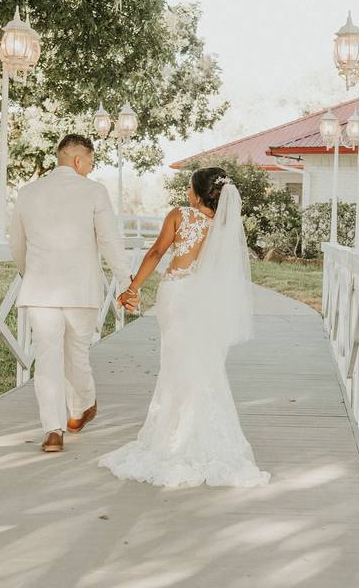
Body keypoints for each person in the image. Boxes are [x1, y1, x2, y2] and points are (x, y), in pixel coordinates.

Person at [101, 167, 270, 487]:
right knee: (203, 363)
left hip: (177, 295)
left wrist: (133, 288)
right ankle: (198, 434)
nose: (186, 192)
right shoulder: (221, 228)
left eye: (189, 187)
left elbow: (156, 252)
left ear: (196, 193)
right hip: (202, 298)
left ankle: (175, 437)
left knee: (176, 363)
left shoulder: (180, 215)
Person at [9, 134, 133, 453]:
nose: (90, 169)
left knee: (48, 360)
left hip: (40, 290)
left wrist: (29, 273)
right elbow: (109, 241)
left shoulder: (27, 193)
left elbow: (17, 245)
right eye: (90, 162)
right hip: (81, 289)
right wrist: (126, 281)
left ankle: (53, 431)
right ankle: (83, 405)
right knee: (77, 355)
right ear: (79, 160)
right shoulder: (93, 191)